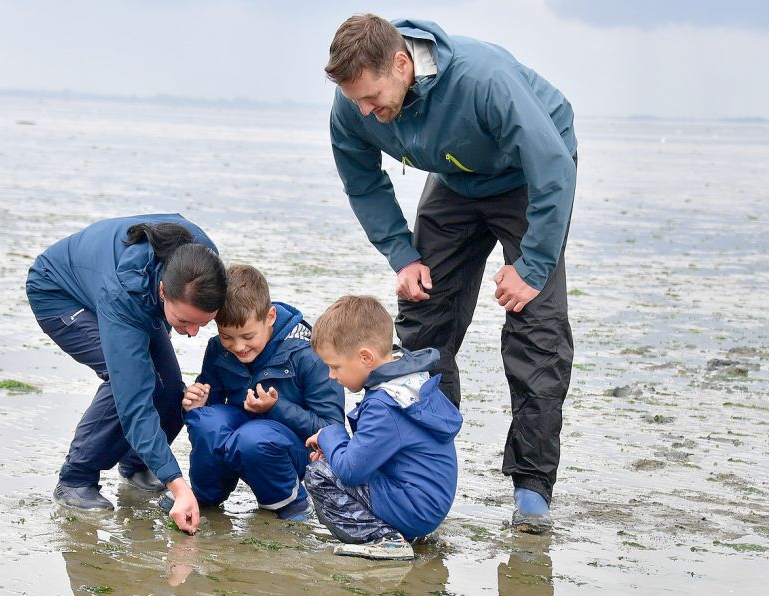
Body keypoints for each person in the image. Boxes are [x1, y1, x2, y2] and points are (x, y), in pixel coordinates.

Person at [325, 14, 577, 532]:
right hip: (456, 181)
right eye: (357, 103)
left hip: (529, 175)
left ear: (402, 63)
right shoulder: (355, 102)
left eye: (372, 99)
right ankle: (420, 462)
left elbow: (553, 166)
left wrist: (531, 266)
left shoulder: (482, 79)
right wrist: (402, 254)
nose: (367, 112)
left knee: (536, 330)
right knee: (422, 320)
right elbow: (362, 181)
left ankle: (532, 488)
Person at [25, 214, 227, 533]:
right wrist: (179, 487)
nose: (192, 333)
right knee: (127, 381)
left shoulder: (205, 262)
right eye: (185, 322)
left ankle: (136, 464)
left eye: (204, 323)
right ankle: (75, 479)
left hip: (130, 292)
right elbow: (134, 404)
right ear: (163, 291)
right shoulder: (123, 294)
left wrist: (169, 323)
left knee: (171, 388)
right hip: (58, 292)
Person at [167, 264, 345, 520]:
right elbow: (212, 415)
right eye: (227, 337)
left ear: (270, 316)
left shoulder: (310, 354)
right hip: (244, 439)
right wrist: (197, 406)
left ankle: (287, 502)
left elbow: (332, 429)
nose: (238, 347)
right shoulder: (218, 348)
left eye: (248, 336)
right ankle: (205, 496)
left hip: (293, 449)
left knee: (253, 437)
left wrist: (276, 407)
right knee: (207, 421)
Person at [304, 295, 461, 560]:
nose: (331, 375)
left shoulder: (384, 405)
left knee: (320, 474)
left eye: (335, 366)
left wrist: (331, 435)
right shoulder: (406, 383)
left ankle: (383, 538)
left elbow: (351, 471)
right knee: (334, 463)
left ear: (365, 357)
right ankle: (402, 532)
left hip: (415, 506)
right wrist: (335, 447)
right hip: (426, 502)